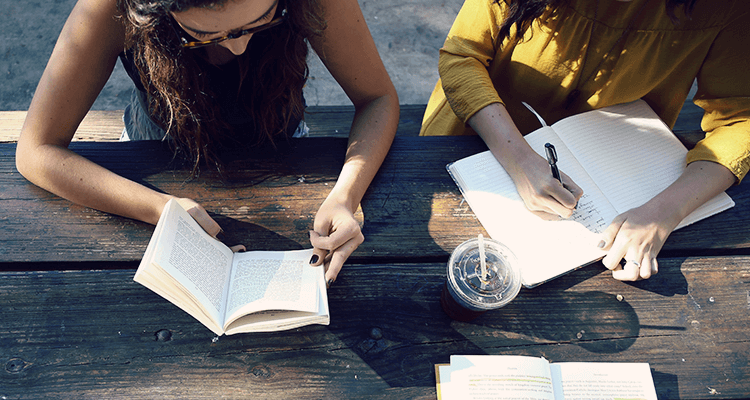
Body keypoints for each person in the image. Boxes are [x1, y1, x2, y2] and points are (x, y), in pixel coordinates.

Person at [15, 0, 399, 286]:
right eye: (204, 36)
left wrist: (346, 196)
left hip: (283, 148)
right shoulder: (113, 8)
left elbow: (378, 98)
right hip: (152, 157)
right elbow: (36, 151)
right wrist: (161, 208)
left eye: (263, 20)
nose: (238, 48)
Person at [421, 0, 749, 281]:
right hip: (473, 137)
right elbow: (463, 56)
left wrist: (663, 212)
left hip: (622, 176)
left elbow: (740, 119)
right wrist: (519, 159)